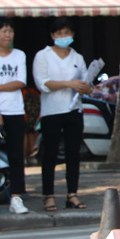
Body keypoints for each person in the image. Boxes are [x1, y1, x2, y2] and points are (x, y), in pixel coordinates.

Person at [32, 17, 92, 212]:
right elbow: (43, 83)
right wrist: (68, 84)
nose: (63, 37)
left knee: (73, 153)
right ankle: (48, 195)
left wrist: (85, 88)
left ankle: (72, 193)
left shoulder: (77, 57)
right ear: (52, 36)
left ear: (72, 34)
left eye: (66, 33)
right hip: (52, 111)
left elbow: (86, 84)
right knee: (50, 153)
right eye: (59, 34)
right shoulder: (43, 56)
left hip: (74, 109)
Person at [0, 16, 29, 214]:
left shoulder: (19, 55)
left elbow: (20, 82)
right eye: (3, 31)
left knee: (17, 155)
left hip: (15, 110)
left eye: (11, 31)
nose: (8, 35)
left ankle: (16, 197)